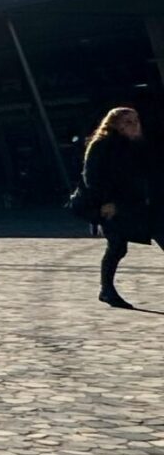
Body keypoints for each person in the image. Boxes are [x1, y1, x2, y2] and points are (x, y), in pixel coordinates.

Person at [81, 107, 159, 309]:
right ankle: (106, 289)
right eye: (128, 122)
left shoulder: (140, 144)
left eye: (136, 120)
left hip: (141, 204)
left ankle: (106, 290)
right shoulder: (102, 145)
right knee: (117, 247)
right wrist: (105, 202)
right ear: (115, 125)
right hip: (114, 206)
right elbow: (91, 177)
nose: (134, 125)